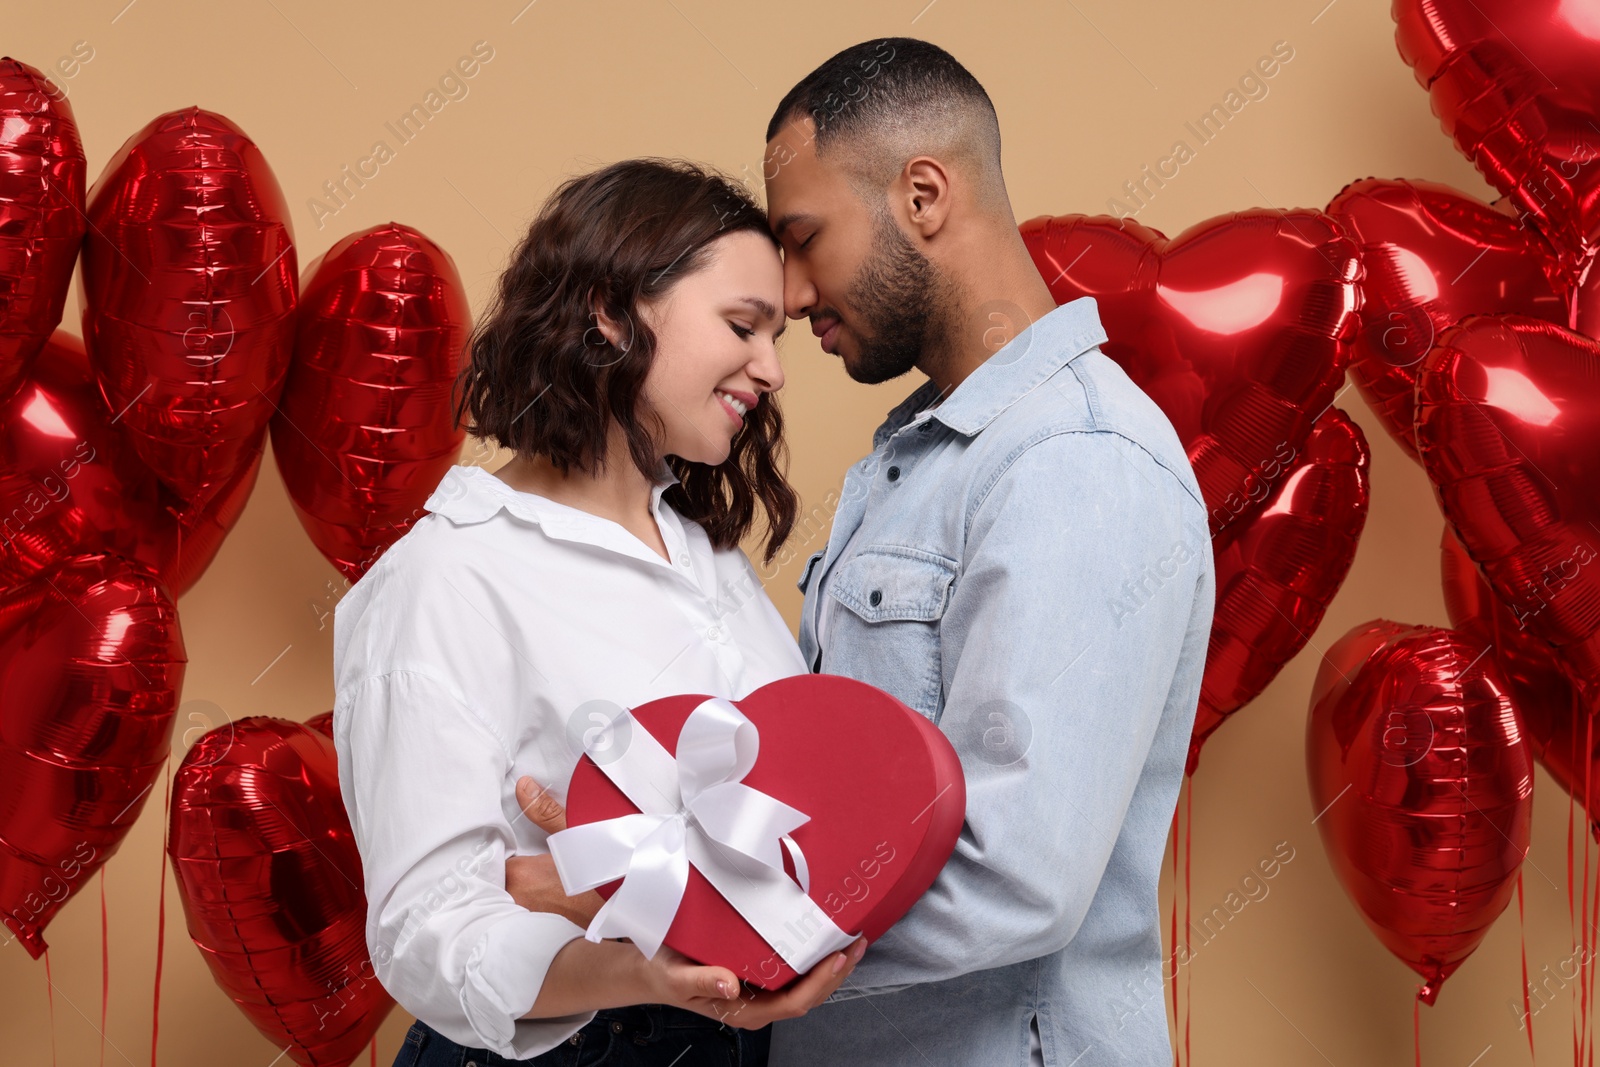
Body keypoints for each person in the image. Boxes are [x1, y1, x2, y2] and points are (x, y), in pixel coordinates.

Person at [331, 157, 865, 1067]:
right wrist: (635, 965)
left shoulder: (703, 548)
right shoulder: (444, 578)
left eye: (778, 334)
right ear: (610, 312)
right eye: (743, 325)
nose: (772, 369)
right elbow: (425, 931)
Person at [755, 38, 1215, 1066]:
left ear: (921, 194)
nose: (788, 292)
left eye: (803, 237)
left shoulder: (1071, 459)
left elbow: (1019, 869)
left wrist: (731, 937)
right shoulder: (924, 460)